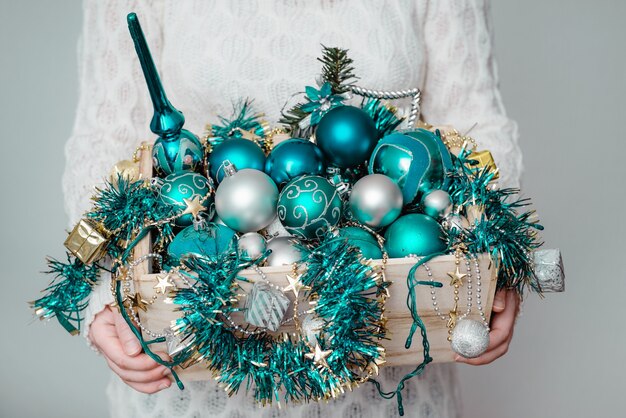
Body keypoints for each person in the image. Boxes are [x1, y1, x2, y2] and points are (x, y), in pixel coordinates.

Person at [64, 1, 522, 416]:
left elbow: (476, 124)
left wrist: (496, 268)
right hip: (196, 384)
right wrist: (107, 296)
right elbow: (104, 139)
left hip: (391, 384)